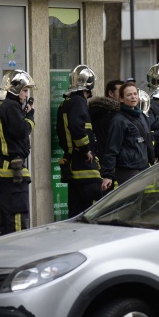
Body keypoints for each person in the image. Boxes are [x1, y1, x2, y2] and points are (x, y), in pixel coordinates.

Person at [0, 69, 35, 235]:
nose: (26, 95)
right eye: (25, 90)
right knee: (18, 219)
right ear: (15, 89)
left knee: (6, 218)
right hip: (13, 173)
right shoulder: (12, 106)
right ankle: (18, 257)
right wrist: (30, 117)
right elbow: (22, 131)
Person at [56, 65, 102, 216]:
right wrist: (86, 149)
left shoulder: (66, 103)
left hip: (73, 164)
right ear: (89, 87)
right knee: (94, 209)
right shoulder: (78, 101)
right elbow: (77, 127)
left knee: (76, 211)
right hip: (83, 163)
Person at [100, 83, 156, 191]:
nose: (133, 97)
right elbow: (112, 148)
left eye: (135, 94)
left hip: (143, 168)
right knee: (132, 205)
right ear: (121, 99)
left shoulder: (141, 116)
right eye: (129, 95)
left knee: (140, 204)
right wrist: (107, 175)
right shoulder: (119, 120)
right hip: (127, 171)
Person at [89, 79, 123, 163]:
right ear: (111, 93)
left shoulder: (98, 111)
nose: (124, 96)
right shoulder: (109, 115)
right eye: (121, 93)